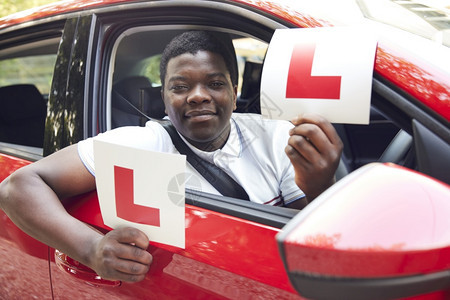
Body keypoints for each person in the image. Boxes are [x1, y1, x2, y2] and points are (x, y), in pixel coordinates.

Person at [0, 31, 342, 283]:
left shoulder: (277, 136)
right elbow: (18, 186)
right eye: (180, 87)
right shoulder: (143, 143)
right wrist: (90, 249)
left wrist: (319, 187)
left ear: (234, 95)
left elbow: (303, 243)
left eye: (215, 83)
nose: (198, 96)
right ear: (164, 100)